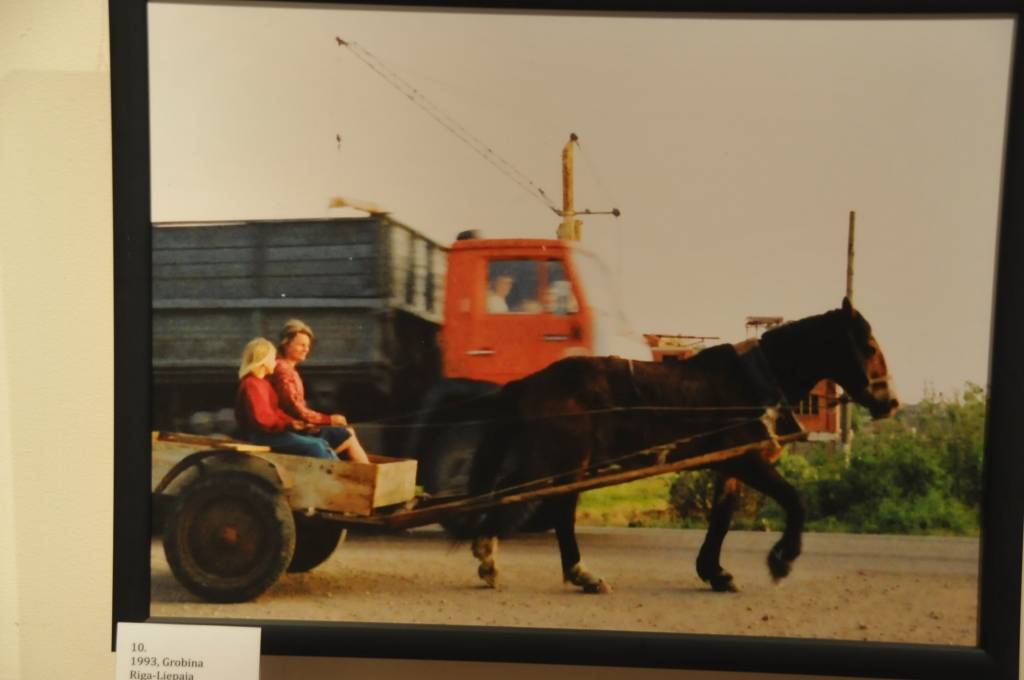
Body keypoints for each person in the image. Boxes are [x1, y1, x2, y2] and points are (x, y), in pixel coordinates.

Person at [269, 319, 370, 464]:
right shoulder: (283, 370)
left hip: (294, 427)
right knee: (347, 434)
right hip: (288, 432)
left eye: (308, 345)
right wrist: (329, 420)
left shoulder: (287, 369)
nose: (306, 349)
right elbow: (295, 408)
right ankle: (366, 478)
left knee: (347, 432)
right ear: (286, 343)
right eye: (301, 345)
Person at [234, 337, 339, 460]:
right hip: (262, 436)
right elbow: (262, 419)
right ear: (263, 360)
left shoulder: (263, 383)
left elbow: (276, 411)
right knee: (315, 446)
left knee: (321, 443)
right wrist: (287, 425)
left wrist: (295, 423)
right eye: (273, 359)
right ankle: (335, 477)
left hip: (271, 434)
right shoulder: (251, 384)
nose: (275, 362)